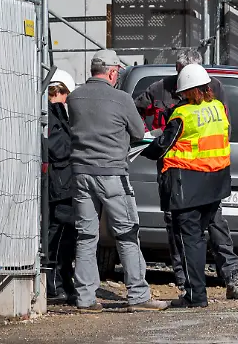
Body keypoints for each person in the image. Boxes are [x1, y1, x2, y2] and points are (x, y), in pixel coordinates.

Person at [132, 48, 238, 300]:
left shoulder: (182, 114)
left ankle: (195, 293)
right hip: (214, 181)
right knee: (204, 232)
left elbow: (162, 146)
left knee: (189, 239)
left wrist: (140, 147)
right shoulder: (217, 106)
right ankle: (198, 286)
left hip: (185, 184)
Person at [69, 49, 170, 313]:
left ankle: (85, 299)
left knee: (86, 236)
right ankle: (138, 294)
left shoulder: (75, 97)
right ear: (113, 71)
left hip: (80, 173)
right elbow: (138, 132)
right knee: (127, 232)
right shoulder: (122, 99)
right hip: (112, 173)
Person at [45, 69, 77, 304]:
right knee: (58, 234)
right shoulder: (53, 115)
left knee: (60, 233)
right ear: (59, 92)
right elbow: (58, 148)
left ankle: (59, 282)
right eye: (66, 95)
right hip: (59, 184)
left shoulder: (52, 114)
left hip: (60, 183)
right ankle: (54, 284)